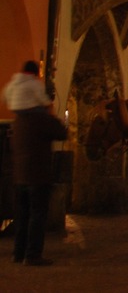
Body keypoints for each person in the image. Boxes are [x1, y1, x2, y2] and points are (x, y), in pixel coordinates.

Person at [7, 61, 66, 266]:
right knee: (37, 216)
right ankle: (33, 254)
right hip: (38, 176)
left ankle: (18, 253)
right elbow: (62, 132)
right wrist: (51, 114)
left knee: (21, 216)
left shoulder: (18, 122)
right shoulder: (41, 119)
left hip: (19, 176)